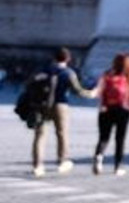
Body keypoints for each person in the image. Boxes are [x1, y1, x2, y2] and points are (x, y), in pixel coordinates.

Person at [28, 47, 91, 177]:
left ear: (54, 58)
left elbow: (30, 83)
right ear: (68, 59)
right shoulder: (68, 73)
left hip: (42, 105)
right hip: (60, 105)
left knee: (39, 136)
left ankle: (38, 165)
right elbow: (77, 91)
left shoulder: (44, 70)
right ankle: (62, 161)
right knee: (62, 134)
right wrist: (91, 94)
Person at [87, 53, 129, 176]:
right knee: (120, 139)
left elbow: (98, 91)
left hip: (106, 109)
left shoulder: (107, 75)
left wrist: (88, 94)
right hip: (123, 110)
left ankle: (99, 156)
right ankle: (118, 166)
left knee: (103, 137)